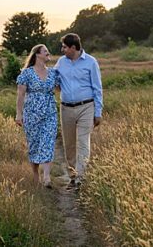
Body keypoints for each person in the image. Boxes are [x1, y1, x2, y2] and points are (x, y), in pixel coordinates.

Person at [54, 33, 103, 190]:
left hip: (86, 107)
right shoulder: (61, 62)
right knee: (69, 145)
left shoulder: (91, 62)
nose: (62, 50)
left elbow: (97, 88)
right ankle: (73, 177)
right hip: (66, 108)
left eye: (64, 47)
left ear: (73, 48)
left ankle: (81, 179)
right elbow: (53, 80)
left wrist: (98, 112)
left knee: (83, 143)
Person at [15, 44, 61, 188]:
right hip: (32, 113)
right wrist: (19, 114)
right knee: (34, 144)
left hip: (50, 112)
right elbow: (21, 94)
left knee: (48, 141)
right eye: (45, 52)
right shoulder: (27, 73)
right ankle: (36, 174)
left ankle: (46, 177)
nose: (48, 54)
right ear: (37, 55)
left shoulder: (53, 73)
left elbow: (60, 88)